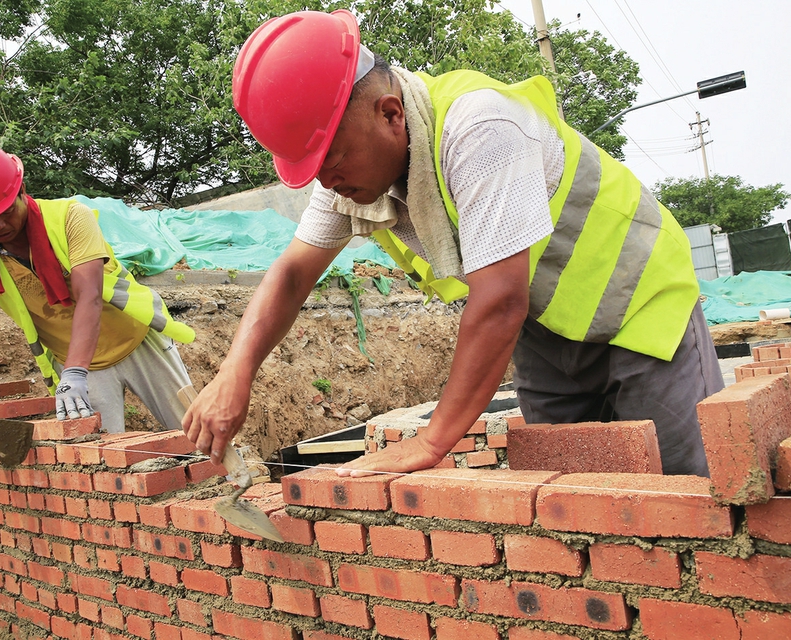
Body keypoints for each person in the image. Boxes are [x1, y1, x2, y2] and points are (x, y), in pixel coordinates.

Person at [182, 10, 724, 477]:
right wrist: (235, 372)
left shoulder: (479, 129)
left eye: (333, 160)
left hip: (639, 307)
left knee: (686, 491)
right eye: (314, 170)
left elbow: (498, 302)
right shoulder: (349, 182)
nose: (326, 183)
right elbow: (293, 273)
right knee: (569, 498)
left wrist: (432, 441)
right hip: (548, 330)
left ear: (390, 113)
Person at [0, 140, 196, 456]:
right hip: (85, 371)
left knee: (199, 437)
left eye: (5, 212)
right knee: (103, 462)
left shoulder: (69, 218)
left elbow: (88, 295)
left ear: (20, 191)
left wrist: (73, 374)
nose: (0, 225)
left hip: (136, 342)